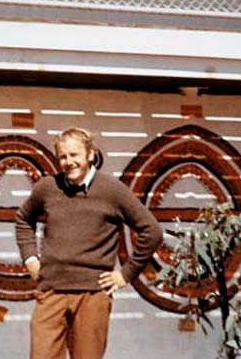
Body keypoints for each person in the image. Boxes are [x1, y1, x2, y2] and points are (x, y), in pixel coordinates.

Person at [15, 127, 162, 359]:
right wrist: (30, 258)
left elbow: (151, 231)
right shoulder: (47, 188)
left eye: (74, 155)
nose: (68, 162)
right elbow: (23, 218)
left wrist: (126, 274)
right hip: (51, 291)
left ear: (90, 154)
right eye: (63, 156)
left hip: (93, 295)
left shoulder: (112, 190)